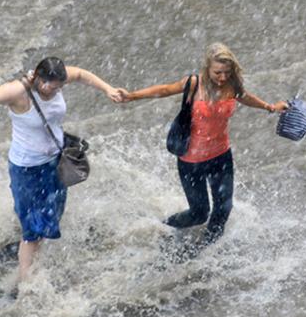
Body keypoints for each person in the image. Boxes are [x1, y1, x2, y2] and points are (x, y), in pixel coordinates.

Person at [0, 57, 122, 285]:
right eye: (51, 87)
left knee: (52, 216)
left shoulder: (59, 78)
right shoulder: (17, 92)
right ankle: (26, 283)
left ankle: (30, 250)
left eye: (59, 88)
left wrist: (107, 89)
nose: (55, 92)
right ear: (37, 77)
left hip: (55, 161)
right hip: (27, 168)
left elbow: (83, 74)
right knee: (32, 231)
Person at [116, 43, 288, 250]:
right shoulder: (193, 84)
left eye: (226, 72)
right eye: (217, 73)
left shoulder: (232, 86)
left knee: (223, 209)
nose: (222, 77)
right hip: (191, 161)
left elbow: (245, 97)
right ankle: (162, 229)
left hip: (221, 157)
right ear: (207, 68)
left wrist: (270, 107)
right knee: (199, 213)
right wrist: (132, 96)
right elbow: (163, 90)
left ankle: (205, 251)